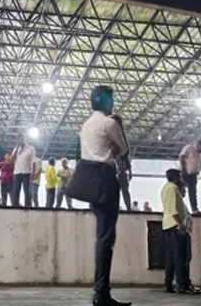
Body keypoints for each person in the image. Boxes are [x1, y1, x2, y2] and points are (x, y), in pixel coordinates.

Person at [76, 85, 130, 306]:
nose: (113, 103)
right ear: (107, 102)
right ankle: (101, 293)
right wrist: (119, 131)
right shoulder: (110, 123)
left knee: (102, 236)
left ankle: (100, 291)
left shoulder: (86, 125)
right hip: (106, 180)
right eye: (112, 99)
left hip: (89, 182)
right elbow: (123, 150)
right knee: (106, 238)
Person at [161, 168, 201, 295]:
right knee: (183, 257)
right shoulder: (172, 188)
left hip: (169, 225)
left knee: (171, 257)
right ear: (176, 177)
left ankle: (169, 284)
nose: (181, 179)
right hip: (176, 226)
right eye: (179, 177)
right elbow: (173, 209)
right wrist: (180, 224)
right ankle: (183, 285)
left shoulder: (166, 188)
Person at [179, 139, 201, 216]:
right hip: (185, 173)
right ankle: (176, 208)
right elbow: (181, 156)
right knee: (180, 191)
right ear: (199, 144)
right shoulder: (189, 147)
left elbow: (198, 163)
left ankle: (194, 209)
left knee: (193, 193)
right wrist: (183, 169)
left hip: (193, 175)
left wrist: (197, 172)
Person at [111, 115, 133, 211]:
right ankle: (124, 207)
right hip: (115, 170)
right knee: (119, 191)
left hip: (120, 170)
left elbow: (126, 157)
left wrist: (130, 170)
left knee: (124, 191)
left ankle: (128, 207)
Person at [11, 134, 36, 207]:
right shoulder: (15, 149)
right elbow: (12, 160)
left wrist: (33, 173)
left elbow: (33, 161)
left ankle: (28, 206)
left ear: (25, 139)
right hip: (17, 172)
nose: (20, 140)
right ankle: (15, 206)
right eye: (19, 139)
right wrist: (17, 148)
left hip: (27, 172)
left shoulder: (30, 148)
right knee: (16, 191)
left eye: (22, 139)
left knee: (27, 191)